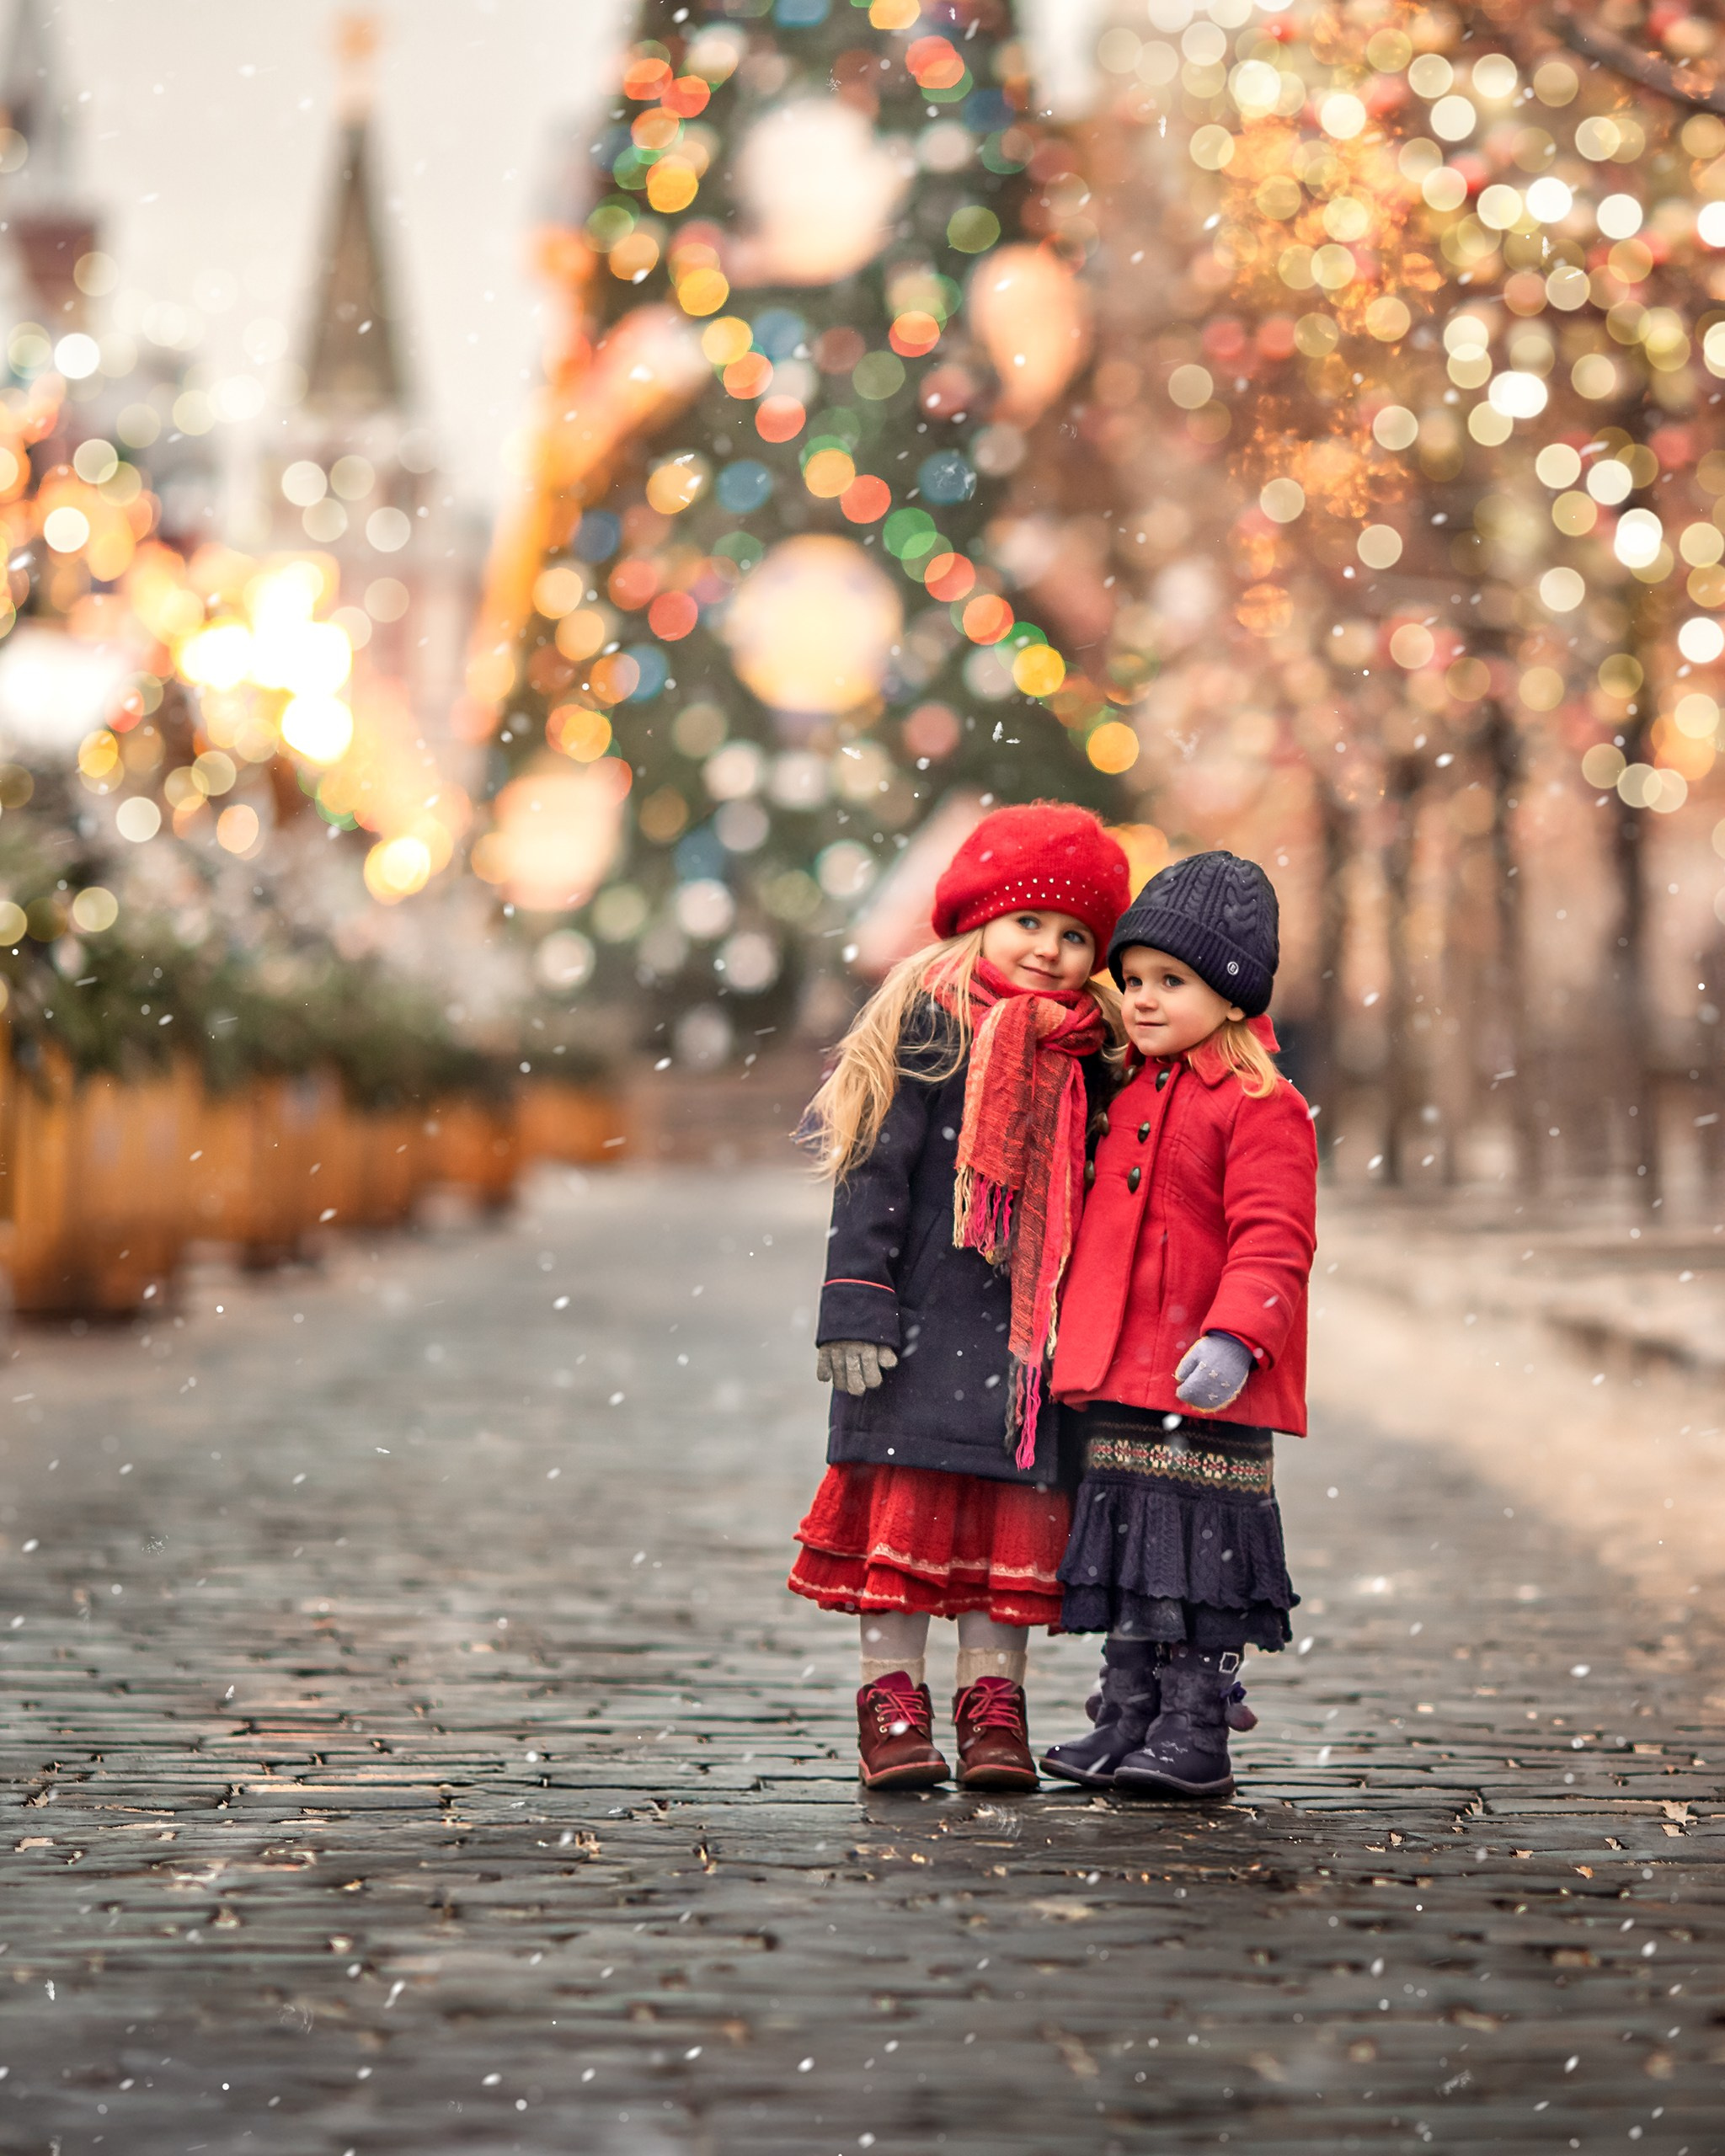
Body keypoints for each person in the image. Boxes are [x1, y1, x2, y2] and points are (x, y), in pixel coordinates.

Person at [788, 802, 1130, 1791]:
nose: (1050, 951)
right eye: (1028, 923)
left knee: (1002, 1531)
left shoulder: (1089, 1054)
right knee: (904, 1524)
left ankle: (993, 1704)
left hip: (1028, 1347)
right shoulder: (926, 1025)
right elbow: (872, 1175)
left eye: (1074, 937)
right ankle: (890, 1701)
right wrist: (855, 1299)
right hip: (918, 1323)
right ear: (978, 920)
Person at [1041, 850, 1316, 1799]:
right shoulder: (1129, 1089)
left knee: (1197, 1554)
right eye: (1135, 980)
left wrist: (1239, 1334)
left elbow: (1274, 1235)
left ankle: (1194, 1722)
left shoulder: (1257, 1104)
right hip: (1121, 1372)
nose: (1143, 999)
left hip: (1205, 1378)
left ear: (1231, 994)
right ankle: (1126, 1712)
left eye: (1172, 982)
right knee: (1128, 1544)